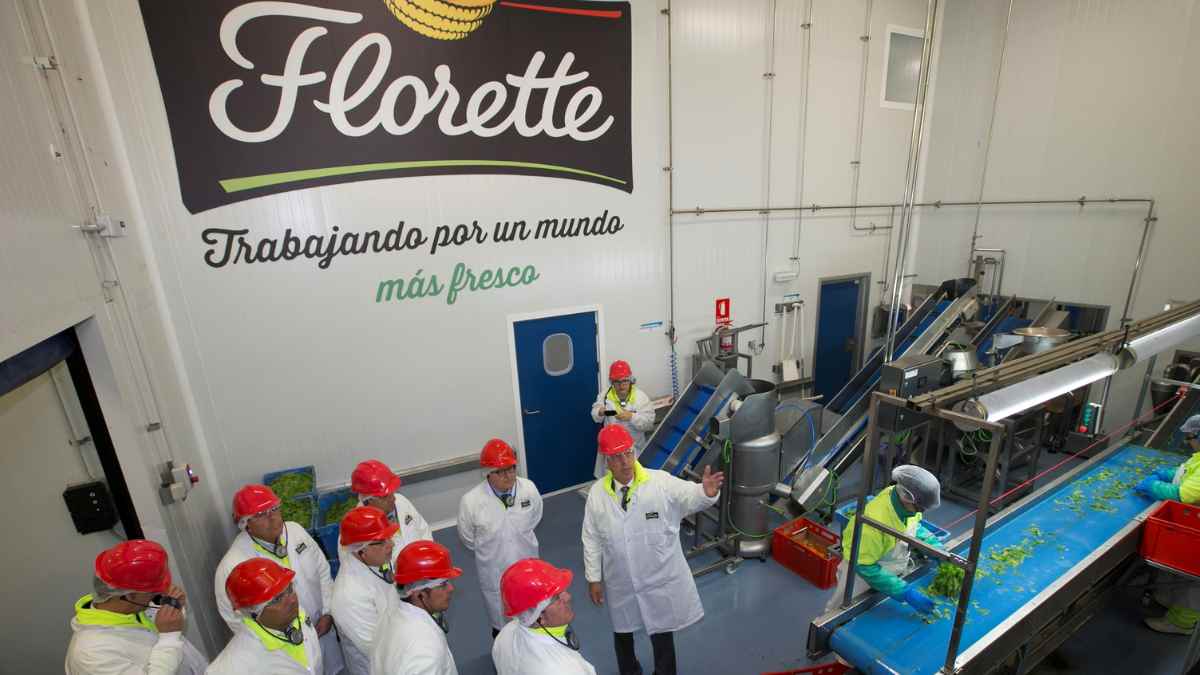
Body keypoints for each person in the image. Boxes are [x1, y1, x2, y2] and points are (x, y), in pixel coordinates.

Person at [581, 425, 724, 675]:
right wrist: (593, 578)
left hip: (658, 577)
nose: (625, 462)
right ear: (606, 461)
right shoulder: (597, 495)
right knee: (623, 634)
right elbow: (591, 538)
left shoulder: (660, 482)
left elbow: (689, 495)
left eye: (628, 453)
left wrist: (706, 493)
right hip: (621, 581)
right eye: (616, 457)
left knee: (661, 632)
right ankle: (630, 671)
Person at [213, 484, 341, 674]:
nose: (272, 517)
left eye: (274, 509)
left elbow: (322, 570)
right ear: (245, 523)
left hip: (321, 628)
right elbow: (237, 619)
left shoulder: (295, 531)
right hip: (281, 652)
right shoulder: (233, 567)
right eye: (261, 514)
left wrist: (328, 611)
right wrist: (282, 639)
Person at [65, 539, 208, 675]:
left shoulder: (134, 608)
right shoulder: (91, 655)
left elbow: (164, 637)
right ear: (129, 595)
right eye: (152, 591)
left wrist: (175, 608)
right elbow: (168, 640)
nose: (157, 594)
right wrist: (169, 637)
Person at [825, 464, 945, 614]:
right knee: (842, 612)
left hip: (888, 573)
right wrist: (904, 592)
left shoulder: (904, 504)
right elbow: (864, 566)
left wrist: (934, 547)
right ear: (907, 497)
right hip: (860, 580)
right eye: (920, 507)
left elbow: (912, 526)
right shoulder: (873, 524)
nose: (921, 511)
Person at [457, 438, 544, 637]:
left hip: (527, 565)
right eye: (501, 471)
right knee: (502, 626)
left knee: (534, 617)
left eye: (512, 468)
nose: (509, 475)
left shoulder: (528, 489)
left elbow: (535, 517)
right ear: (487, 472)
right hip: (495, 572)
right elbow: (468, 538)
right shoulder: (471, 502)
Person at [1135, 413, 1200, 635]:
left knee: (1193, 579)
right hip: (1192, 522)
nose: (1187, 442)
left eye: (1190, 437)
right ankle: (1168, 597)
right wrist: (1168, 473)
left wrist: (1153, 486)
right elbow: (1189, 472)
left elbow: (1183, 495)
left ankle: (1182, 623)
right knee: (1180, 567)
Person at [207, 558, 323, 674]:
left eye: (290, 588)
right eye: (277, 599)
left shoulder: (297, 614)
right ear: (253, 613)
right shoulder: (236, 664)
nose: (292, 600)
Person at [371, 540, 461, 675]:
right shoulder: (425, 653)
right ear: (420, 595)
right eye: (442, 584)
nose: (451, 588)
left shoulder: (391, 611)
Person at [492, 558, 596, 675]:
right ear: (538, 617)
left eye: (563, 591)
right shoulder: (567, 670)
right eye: (557, 598)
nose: (568, 597)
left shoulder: (505, 634)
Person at [330, 506, 399, 675]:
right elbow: (378, 649)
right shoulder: (349, 596)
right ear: (361, 550)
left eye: (389, 537)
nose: (392, 544)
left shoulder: (375, 561)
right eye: (382, 541)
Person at [590, 360, 655, 478]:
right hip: (611, 448)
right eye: (617, 382)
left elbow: (649, 423)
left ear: (630, 380)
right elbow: (595, 415)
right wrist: (600, 411)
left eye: (625, 380)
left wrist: (632, 417)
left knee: (633, 479)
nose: (621, 385)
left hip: (633, 448)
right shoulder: (605, 396)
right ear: (612, 382)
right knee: (610, 479)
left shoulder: (641, 397)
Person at [351, 459, 433, 549]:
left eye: (392, 492)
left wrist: (427, 555)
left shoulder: (401, 501)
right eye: (386, 496)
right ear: (369, 500)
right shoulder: (357, 528)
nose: (393, 498)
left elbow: (423, 530)